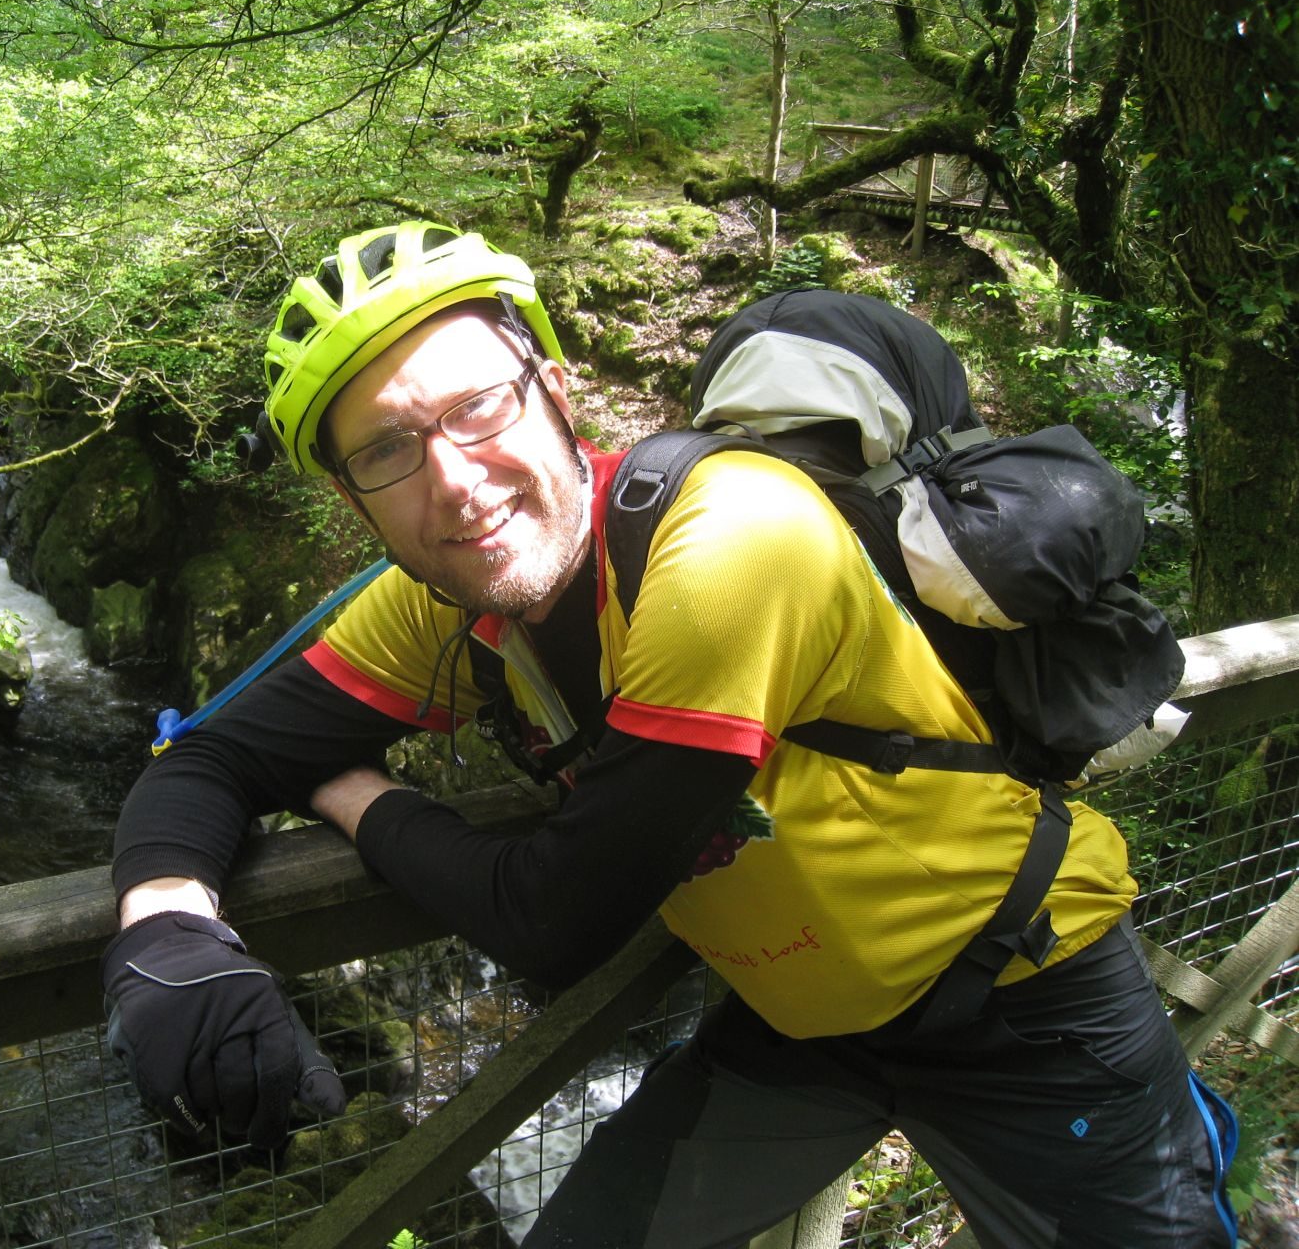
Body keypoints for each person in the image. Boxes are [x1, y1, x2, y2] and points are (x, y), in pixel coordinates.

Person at [102, 221, 1239, 1248]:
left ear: (555, 386)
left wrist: (348, 791)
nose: (452, 482)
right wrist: (167, 936)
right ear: (354, 501)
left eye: (477, 406)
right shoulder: (436, 601)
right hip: (801, 1027)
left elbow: (555, 918)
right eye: (387, 451)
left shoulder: (733, 538)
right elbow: (209, 754)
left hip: (1026, 1001)